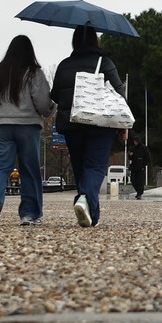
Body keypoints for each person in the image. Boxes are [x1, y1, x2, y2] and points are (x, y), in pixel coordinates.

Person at [50, 25, 126, 227]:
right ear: (95, 41)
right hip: (99, 124)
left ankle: (92, 216)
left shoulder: (65, 65)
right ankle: (84, 199)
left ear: (75, 41)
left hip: (72, 123)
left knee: (81, 168)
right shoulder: (105, 63)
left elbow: (55, 95)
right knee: (95, 167)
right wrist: (122, 126)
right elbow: (120, 96)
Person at [0, 35, 55, 227]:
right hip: (27, 127)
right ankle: (29, 214)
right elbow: (44, 105)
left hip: (0, 127)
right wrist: (52, 107)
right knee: (30, 170)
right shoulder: (33, 73)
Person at [127, 136, 150, 200]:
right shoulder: (133, 148)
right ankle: (138, 191)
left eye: (136, 141)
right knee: (133, 180)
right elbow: (130, 158)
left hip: (141, 168)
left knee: (140, 181)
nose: (135, 142)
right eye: (134, 141)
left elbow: (148, 158)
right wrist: (129, 154)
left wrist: (143, 165)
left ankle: (139, 193)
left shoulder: (144, 148)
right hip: (134, 167)